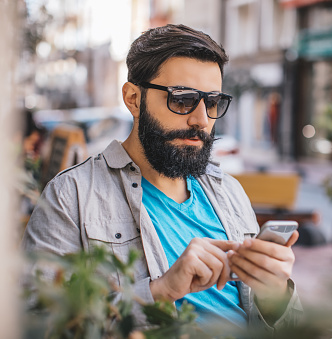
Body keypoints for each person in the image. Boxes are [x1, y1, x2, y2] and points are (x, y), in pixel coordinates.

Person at [22, 24, 303, 333]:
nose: (201, 120)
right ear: (132, 99)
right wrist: (159, 292)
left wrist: (275, 293)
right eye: (182, 100)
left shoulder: (229, 192)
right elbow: (39, 323)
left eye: (211, 102)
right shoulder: (71, 195)